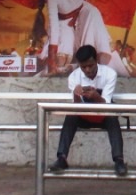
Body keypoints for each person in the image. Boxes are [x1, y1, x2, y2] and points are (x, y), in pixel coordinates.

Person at [48, 45, 128, 176]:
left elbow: (107, 104)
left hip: (103, 115)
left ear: (96, 61)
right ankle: (61, 158)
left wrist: (96, 97)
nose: (87, 70)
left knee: (113, 116)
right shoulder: (74, 77)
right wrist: (76, 94)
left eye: (90, 65)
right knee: (71, 116)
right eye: (83, 67)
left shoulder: (109, 74)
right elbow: (76, 106)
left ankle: (119, 160)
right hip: (83, 115)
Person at [32, 0, 114, 74]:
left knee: (93, 12)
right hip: (64, 23)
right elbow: (54, 28)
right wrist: (51, 66)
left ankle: (97, 61)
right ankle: (76, 67)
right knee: (61, 60)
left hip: (83, 12)